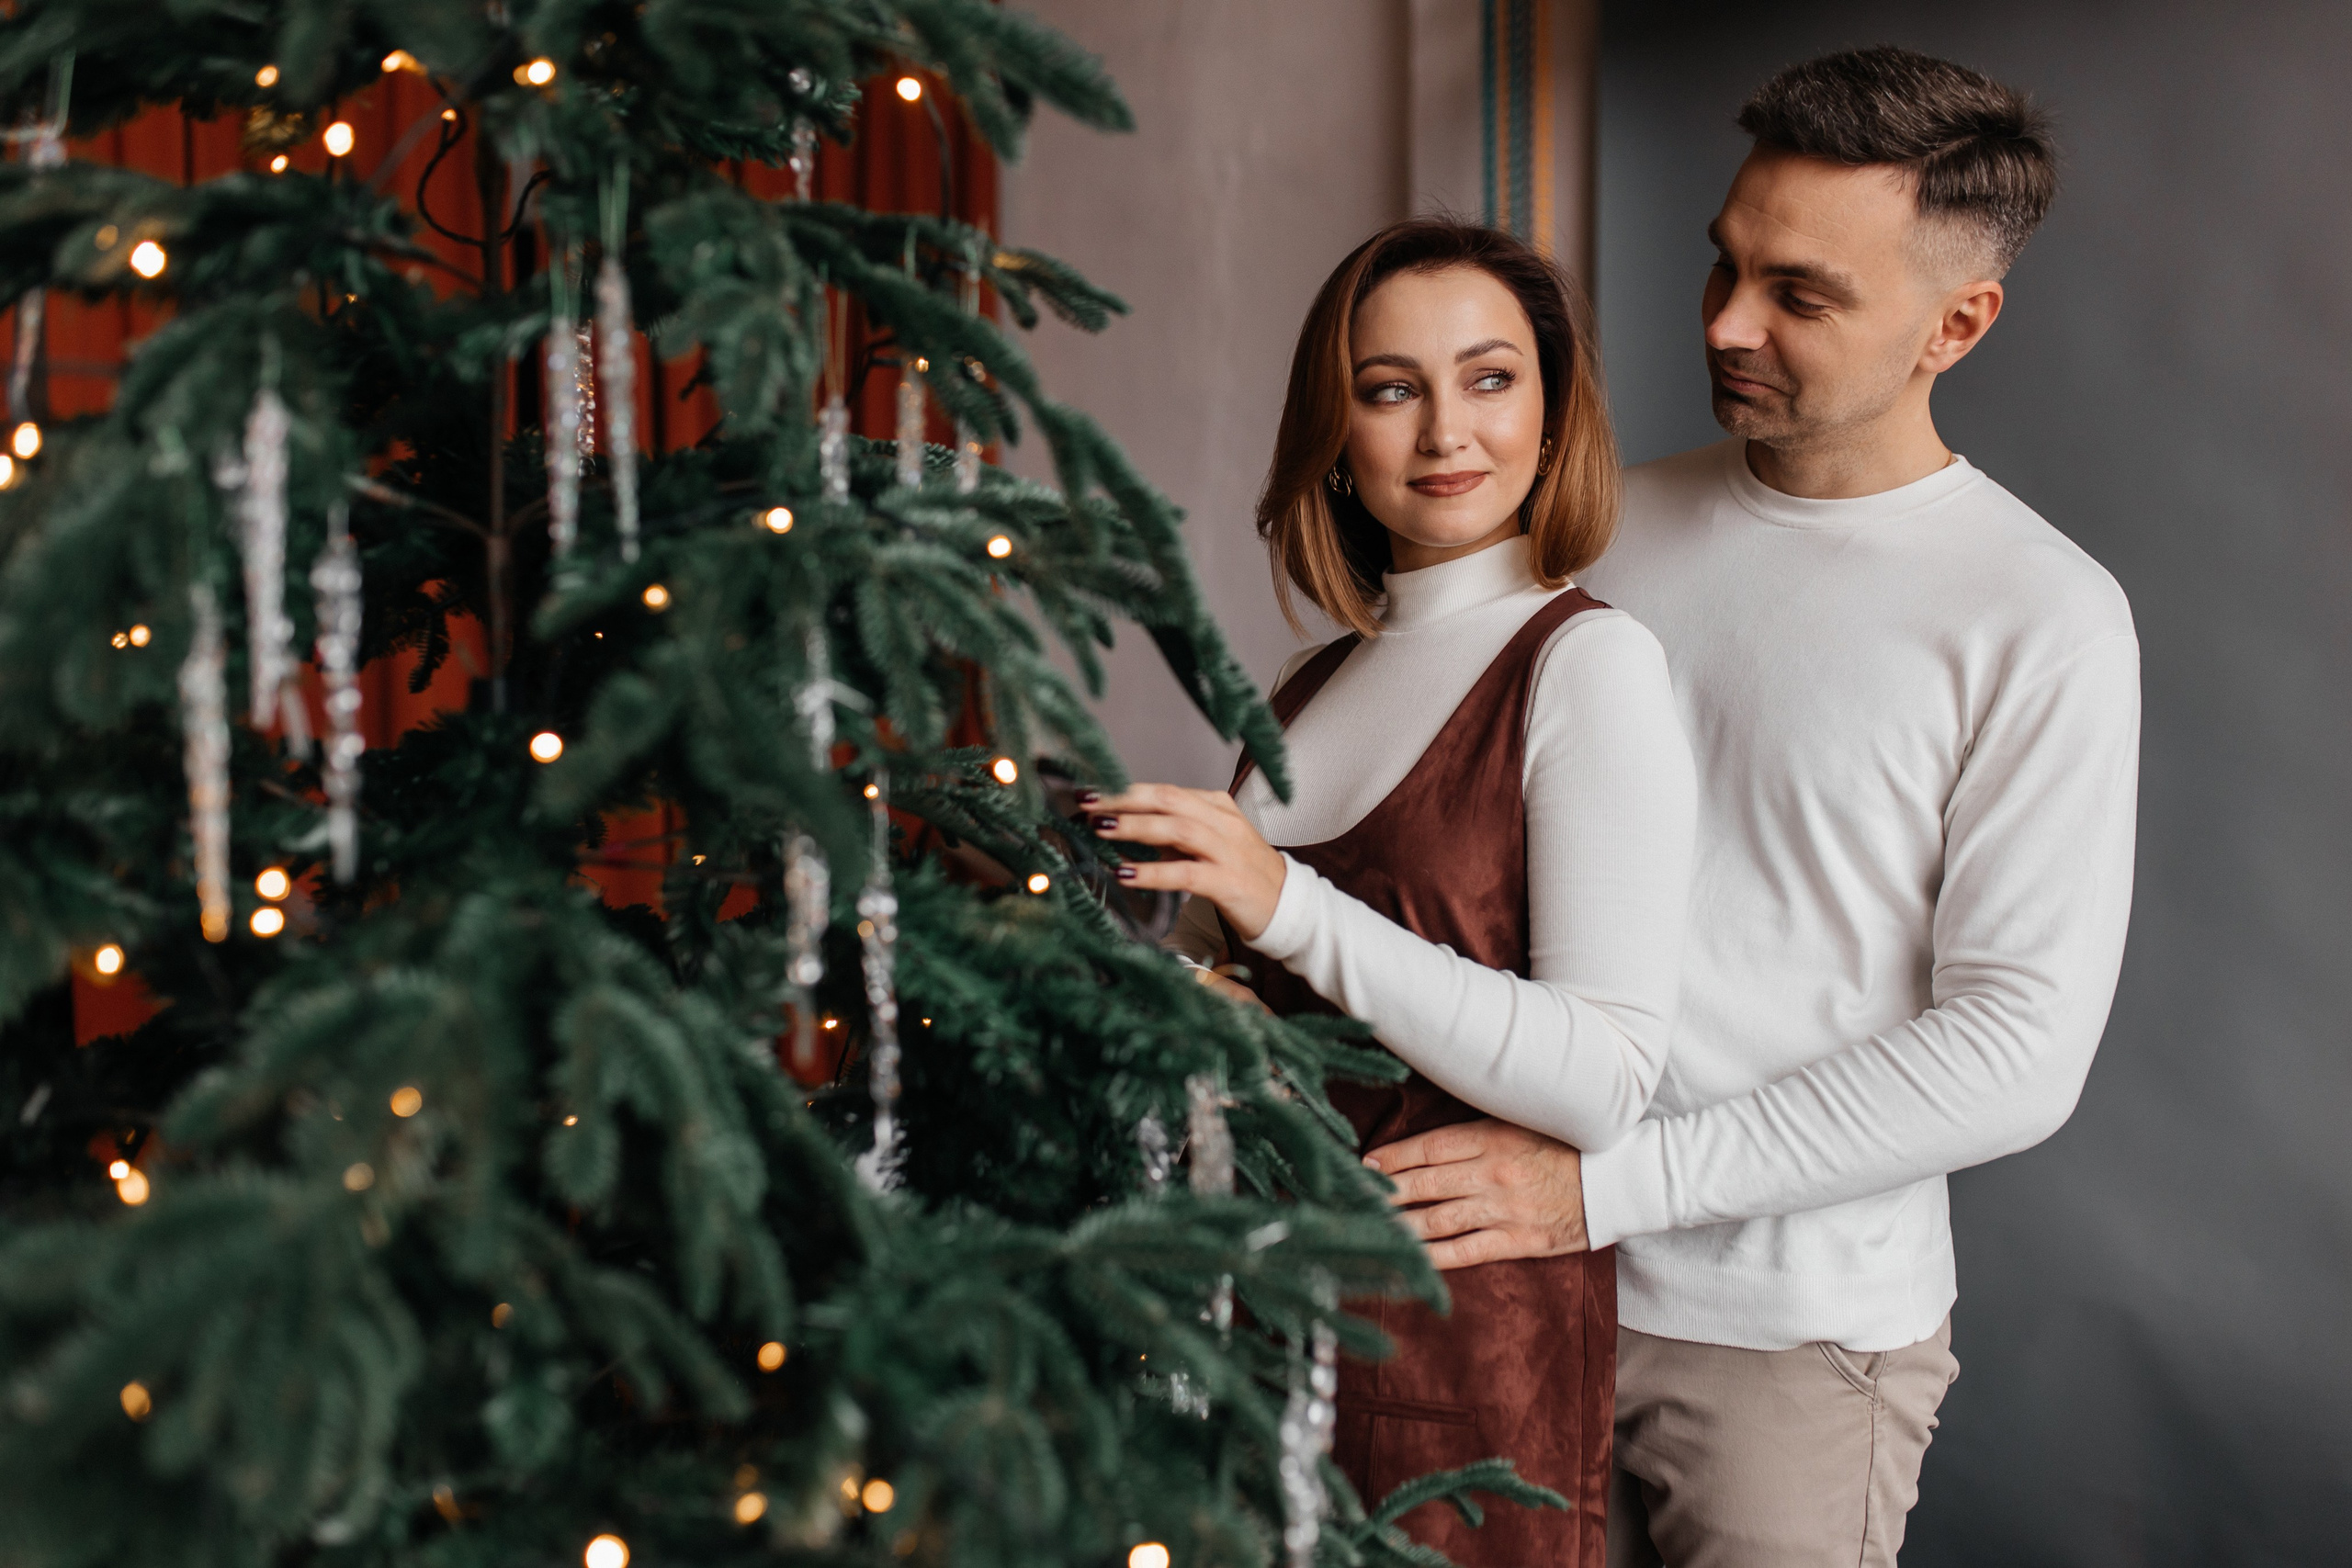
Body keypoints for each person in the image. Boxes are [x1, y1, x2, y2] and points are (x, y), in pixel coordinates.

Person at [1358, 47, 2142, 1568]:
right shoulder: (1590, 528)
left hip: (1786, 1346)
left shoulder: (2043, 616)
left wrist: (1608, 1187)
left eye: (1801, 294)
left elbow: (2016, 1053)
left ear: (1957, 324)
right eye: (1724, 264)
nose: (1723, 324)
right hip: (1501, 1287)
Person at [1085, 219, 1695, 1567]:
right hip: (1261, 1333)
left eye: (1489, 379)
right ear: (1337, 431)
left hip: (1463, 1374)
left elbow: (1604, 1076)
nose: (1443, 434)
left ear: (1552, 408)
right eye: (1389, 388)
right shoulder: (1309, 690)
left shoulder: (1587, 668)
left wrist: (1282, 901)